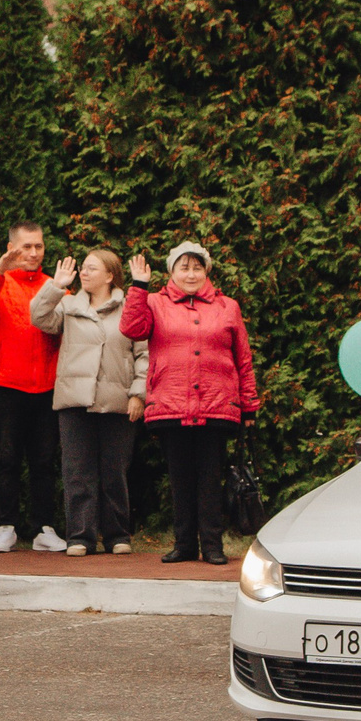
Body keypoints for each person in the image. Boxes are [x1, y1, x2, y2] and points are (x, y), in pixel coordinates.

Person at [120, 242, 260, 565]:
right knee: (179, 478)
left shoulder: (228, 307)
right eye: (184, 267)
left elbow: (243, 359)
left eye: (197, 267)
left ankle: (213, 546)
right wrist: (139, 287)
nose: (191, 274)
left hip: (217, 404)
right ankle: (183, 544)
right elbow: (130, 328)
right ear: (171, 271)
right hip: (171, 404)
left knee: (211, 478)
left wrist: (249, 404)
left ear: (207, 270)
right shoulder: (154, 302)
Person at [30, 248, 147, 556]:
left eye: (92, 268)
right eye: (83, 268)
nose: (84, 272)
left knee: (115, 472)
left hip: (117, 399)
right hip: (74, 401)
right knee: (77, 472)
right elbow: (39, 318)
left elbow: (143, 354)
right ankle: (80, 536)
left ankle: (117, 535)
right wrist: (55, 286)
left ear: (110, 275)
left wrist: (138, 393)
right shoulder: (68, 304)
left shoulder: (129, 307)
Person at [0, 220, 65, 554]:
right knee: (6, 458)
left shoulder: (55, 285)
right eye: (26, 246)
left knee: (44, 460)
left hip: (47, 386)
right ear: (12, 248)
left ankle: (43, 529)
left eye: (38, 246)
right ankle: (6, 526)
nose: (34, 253)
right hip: (5, 383)